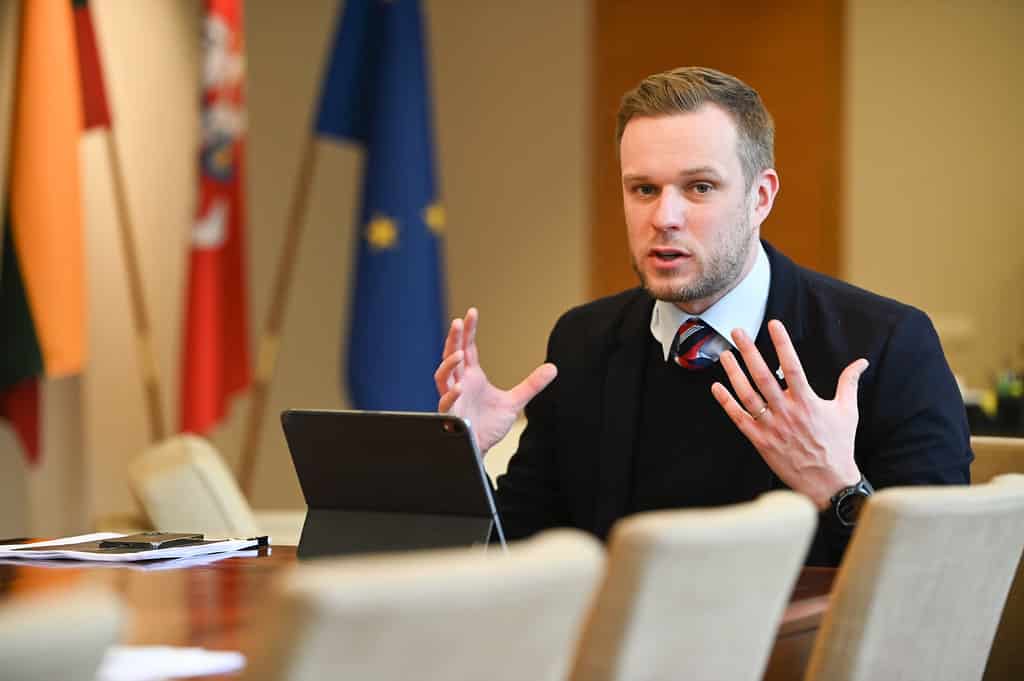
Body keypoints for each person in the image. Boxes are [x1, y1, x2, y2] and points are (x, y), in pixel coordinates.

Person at [434, 66, 971, 566]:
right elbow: (522, 562)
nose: (664, 218)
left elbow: (942, 572)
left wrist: (838, 488)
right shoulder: (583, 341)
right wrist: (461, 465)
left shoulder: (886, 344)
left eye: (700, 187)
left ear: (761, 197)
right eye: (644, 189)